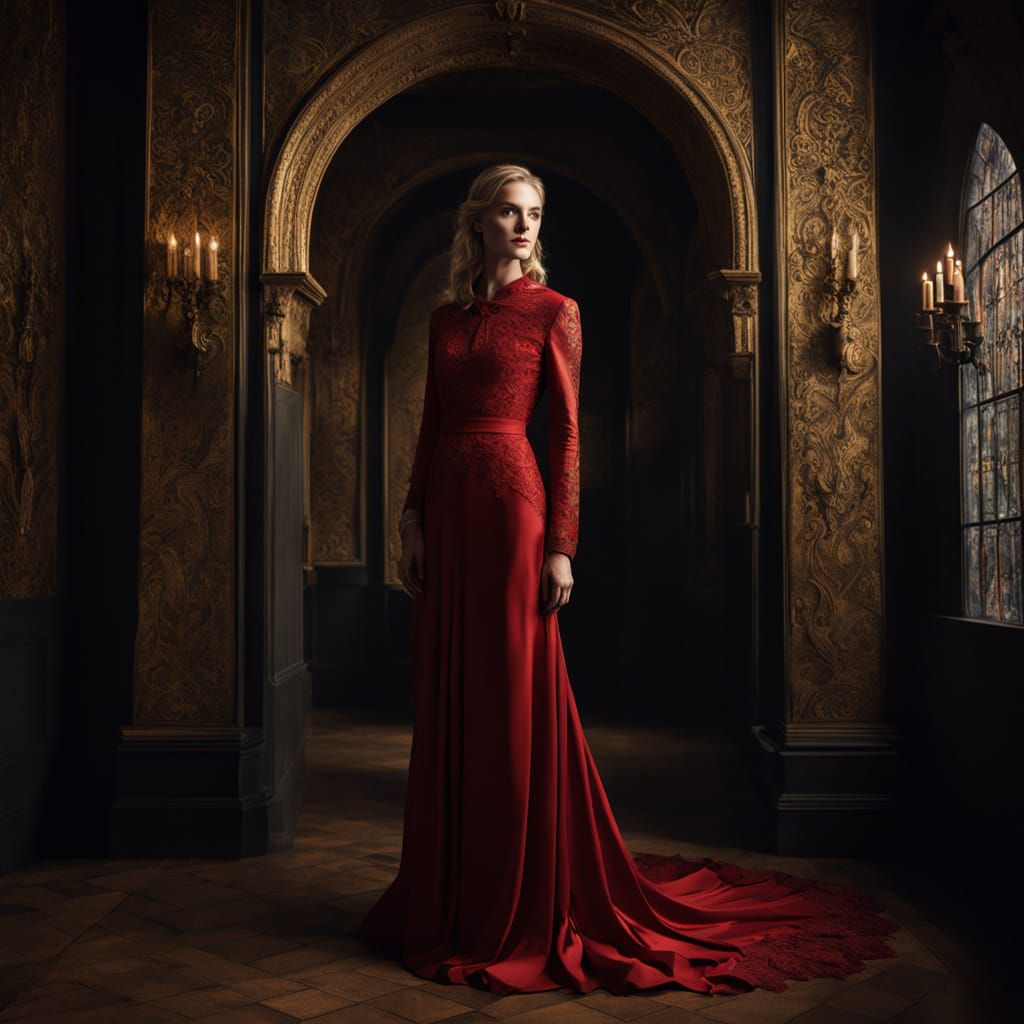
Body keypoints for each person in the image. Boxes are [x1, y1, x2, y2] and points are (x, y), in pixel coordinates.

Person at [355, 164, 897, 995]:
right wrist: (410, 518)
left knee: (509, 695)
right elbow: (430, 425)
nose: (525, 225)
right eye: (508, 211)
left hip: (512, 509)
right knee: (451, 695)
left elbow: (568, 434)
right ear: (479, 224)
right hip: (451, 516)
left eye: (534, 213)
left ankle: (519, 894)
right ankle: (452, 893)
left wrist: (561, 544)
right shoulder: (443, 320)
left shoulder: (554, 311)